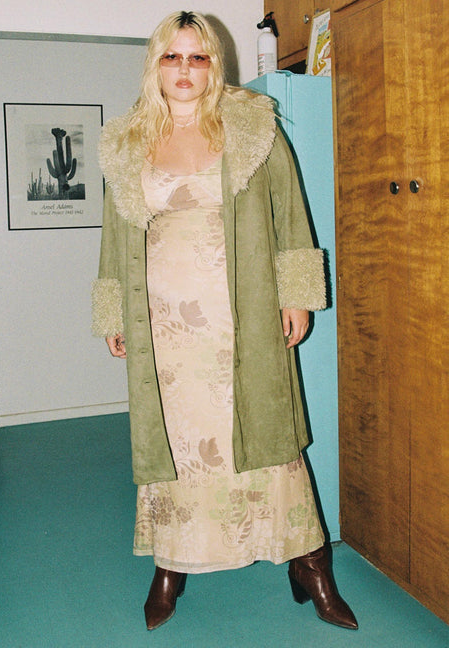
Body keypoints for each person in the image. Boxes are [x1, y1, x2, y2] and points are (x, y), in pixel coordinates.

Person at [92, 10, 358, 632]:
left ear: (214, 65)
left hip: (244, 312)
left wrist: (296, 294)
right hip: (163, 325)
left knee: (266, 433)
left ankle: (309, 561)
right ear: (155, 65)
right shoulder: (126, 142)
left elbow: (291, 212)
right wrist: (114, 309)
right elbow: (114, 234)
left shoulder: (252, 127)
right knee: (178, 441)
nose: (184, 69)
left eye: (198, 56)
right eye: (172, 56)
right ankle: (171, 562)